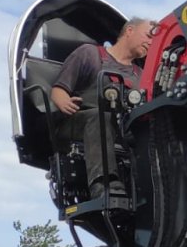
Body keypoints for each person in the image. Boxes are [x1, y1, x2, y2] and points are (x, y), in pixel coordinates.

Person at [49, 17, 156, 200]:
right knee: (101, 118)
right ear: (129, 31)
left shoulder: (141, 77)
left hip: (119, 129)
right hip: (79, 123)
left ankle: (151, 190)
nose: (151, 43)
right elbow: (58, 91)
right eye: (148, 36)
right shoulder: (89, 54)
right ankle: (103, 182)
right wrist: (64, 101)